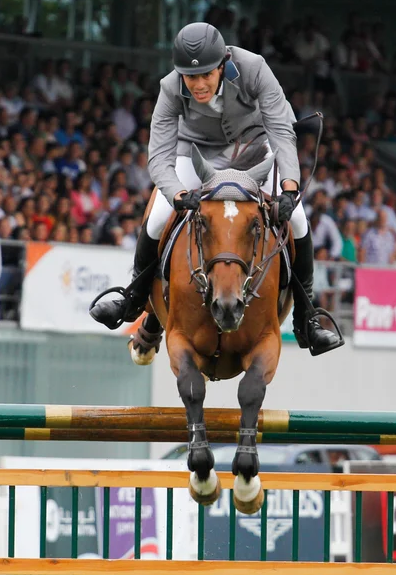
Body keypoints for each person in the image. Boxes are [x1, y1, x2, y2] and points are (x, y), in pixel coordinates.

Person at [90, 22, 343, 355]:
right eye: (190, 77)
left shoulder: (254, 69)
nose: (197, 85)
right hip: (196, 154)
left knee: (297, 220)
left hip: (254, 150)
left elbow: (281, 128)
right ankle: (132, 299)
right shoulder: (170, 87)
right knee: (159, 215)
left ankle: (307, 318)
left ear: (223, 63)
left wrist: (289, 187)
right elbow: (159, 156)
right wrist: (178, 194)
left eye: (206, 75)